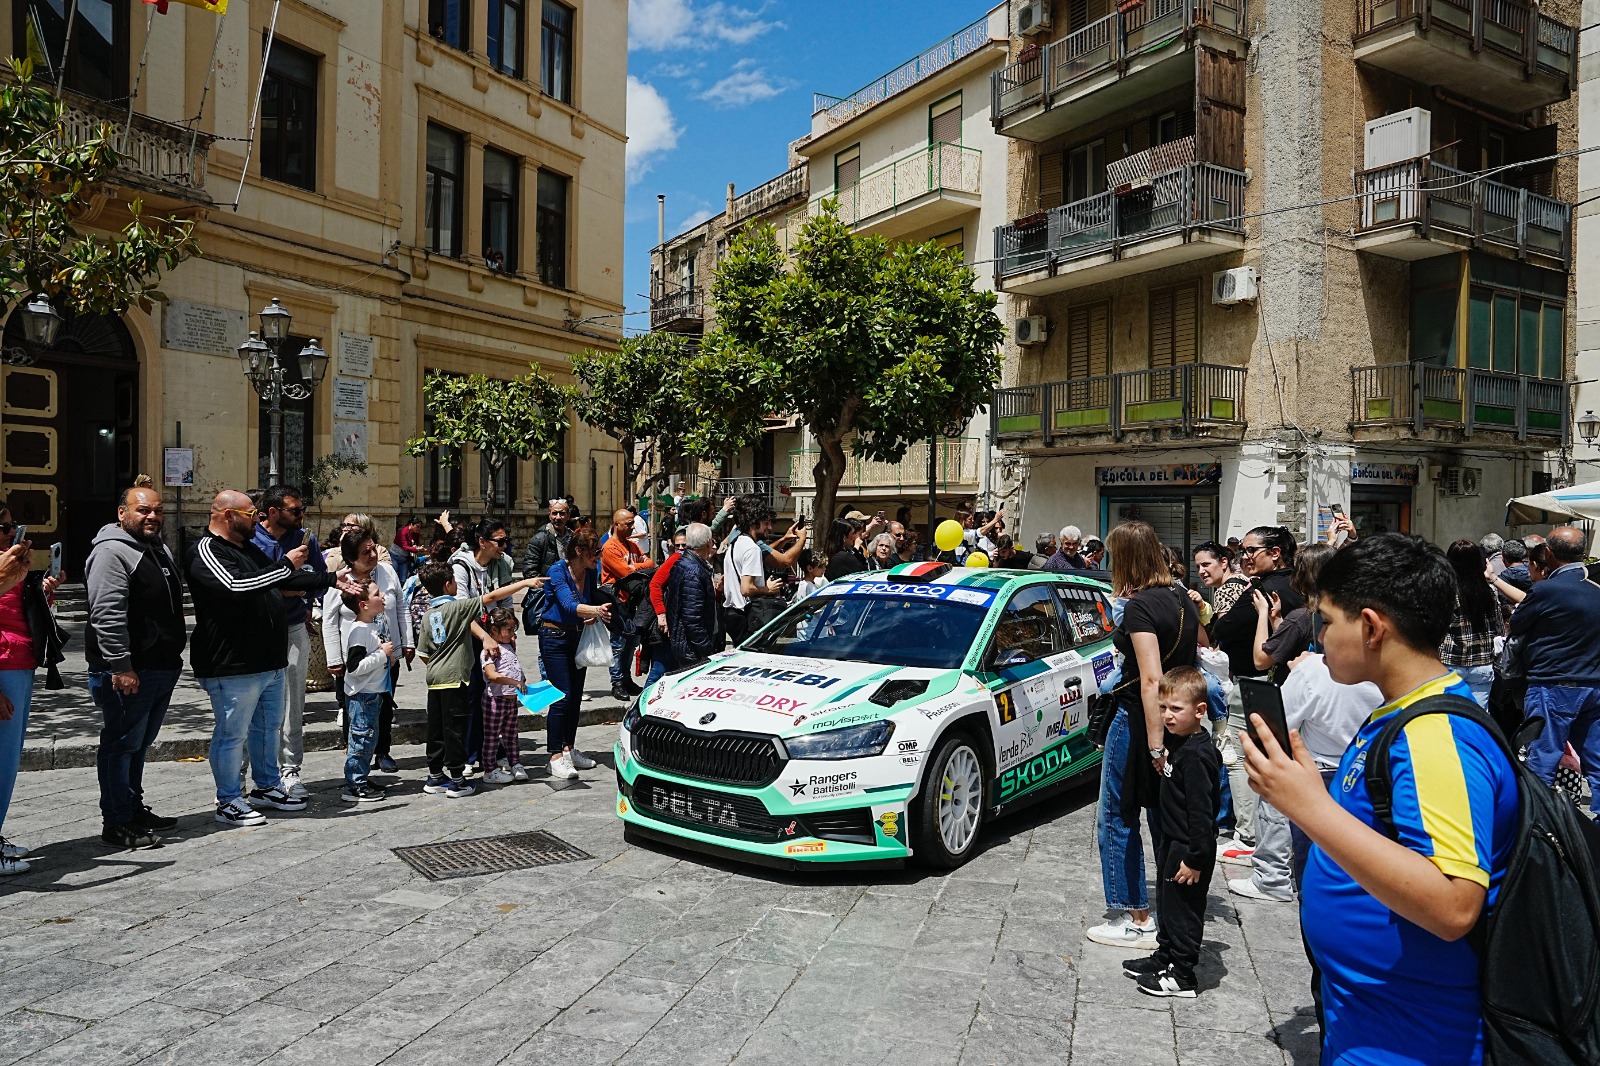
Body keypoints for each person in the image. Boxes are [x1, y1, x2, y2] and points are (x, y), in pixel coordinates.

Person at [1244, 532, 1518, 1066]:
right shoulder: (1397, 715)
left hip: (1414, 1040)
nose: (1317, 636)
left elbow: (1454, 903)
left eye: (1326, 621)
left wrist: (1311, 810)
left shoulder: (1435, 734)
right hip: (1373, 1023)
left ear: (1370, 626)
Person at [191, 491, 354, 827]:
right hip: (231, 662)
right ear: (226, 515)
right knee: (232, 733)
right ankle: (229, 799)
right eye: (250, 513)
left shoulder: (246, 547)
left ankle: (266, 787)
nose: (256, 518)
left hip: (268, 657)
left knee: (267, 728)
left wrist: (330, 579)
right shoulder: (206, 549)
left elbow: (282, 579)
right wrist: (284, 567)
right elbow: (237, 586)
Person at [1087, 521, 1200, 950]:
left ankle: (1134, 916)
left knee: (1117, 815)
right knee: (1161, 818)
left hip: (1139, 720)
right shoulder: (1181, 597)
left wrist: (1155, 742)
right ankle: (1168, 909)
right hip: (1175, 720)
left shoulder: (1140, 607)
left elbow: (1150, 678)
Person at [1231, 543, 1335, 905]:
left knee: (1274, 801)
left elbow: (1261, 658)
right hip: (1334, 735)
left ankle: (1272, 876)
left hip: (1301, 722)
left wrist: (1262, 616)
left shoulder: (1304, 616)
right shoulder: (1317, 617)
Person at [85, 485, 186, 850]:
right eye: (143, 510)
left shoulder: (155, 548)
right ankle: (116, 821)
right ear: (122, 513)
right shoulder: (111, 552)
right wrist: (121, 664)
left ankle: (132, 807)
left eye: (158, 511)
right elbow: (106, 614)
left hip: (160, 665)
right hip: (129, 670)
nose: (153, 517)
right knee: (120, 745)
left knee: (138, 744)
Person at [1123, 666, 1221, 998]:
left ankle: (1182, 976)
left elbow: (1202, 814)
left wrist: (1195, 859)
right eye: (1163, 707)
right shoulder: (1180, 745)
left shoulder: (1196, 756)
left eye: (1176, 709)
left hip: (1189, 848)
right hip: (1173, 840)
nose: (1167, 715)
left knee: (1184, 911)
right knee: (1167, 905)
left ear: (1200, 710)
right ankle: (1165, 956)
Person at [1209, 526, 1302, 852]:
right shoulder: (1294, 584)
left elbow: (1225, 627)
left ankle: (1247, 836)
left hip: (1256, 682)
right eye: (1242, 551)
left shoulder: (1264, 591)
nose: (1244, 557)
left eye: (1251, 551)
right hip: (1279, 682)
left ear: (1275, 553)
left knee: (1238, 757)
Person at [415, 561, 540, 798]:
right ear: (448, 584)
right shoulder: (458, 607)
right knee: (455, 730)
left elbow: (424, 653)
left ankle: (434, 776)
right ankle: (457, 779)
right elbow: (491, 596)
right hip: (455, 680)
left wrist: (439, 666)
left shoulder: (428, 614)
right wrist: (524, 582)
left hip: (435, 679)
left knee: (437, 729)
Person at [1509, 525, 1600, 811]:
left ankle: (1539, 828)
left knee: (1542, 762)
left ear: (1548, 553)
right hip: (1593, 686)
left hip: (1552, 686)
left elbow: (1518, 623)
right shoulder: (1595, 589)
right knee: (1597, 763)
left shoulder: (1546, 591)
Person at [250, 485, 326, 800]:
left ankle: (290, 771)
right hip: (257, 630)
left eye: (301, 508)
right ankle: (242, 777)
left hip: (294, 628)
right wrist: (282, 587)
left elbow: (321, 579)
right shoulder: (250, 540)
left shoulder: (306, 540)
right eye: (295, 510)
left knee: (295, 704)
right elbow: (248, 585)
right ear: (272, 512)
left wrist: (305, 591)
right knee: (251, 707)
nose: (301, 515)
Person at [0, 510, 61, 872]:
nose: (11, 532)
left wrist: (43, 593)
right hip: (4, 666)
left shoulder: (9, 564)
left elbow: (21, 613)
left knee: (9, 760)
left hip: (19, 663)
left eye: (12, 526)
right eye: (4, 527)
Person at [321, 529, 408, 775]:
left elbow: (401, 608)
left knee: (384, 704)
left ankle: (382, 751)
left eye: (373, 548)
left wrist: (405, 644)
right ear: (351, 558)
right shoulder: (339, 581)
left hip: (387, 654)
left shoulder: (387, 572)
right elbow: (329, 621)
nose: (372, 555)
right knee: (356, 707)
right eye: (364, 552)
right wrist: (334, 659)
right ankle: (356, 756)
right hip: (354, 658)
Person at [540, 531, 612, 779]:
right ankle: (554, 756)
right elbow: (568, 604)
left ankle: (568, 749)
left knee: (576, 697)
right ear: (580, 551)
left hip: (577, 636)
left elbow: (586, 601)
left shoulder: (589, 573)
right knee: (562, 696)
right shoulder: (558, 571)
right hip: (554, 638)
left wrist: (593, 614)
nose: (599, 558)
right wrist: (594, 610)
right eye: (596, 552)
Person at [337, 580, 395, 804]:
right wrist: (381, 654)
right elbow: (354, 667)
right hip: (363, 695)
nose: (382, 597)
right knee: (361, 739)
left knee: (369, 739)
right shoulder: (360, 631)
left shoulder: (371, 626)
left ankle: (360, 778)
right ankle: (354, 785)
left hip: (373, 694)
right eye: (377, 594)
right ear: (363, 604)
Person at [601, 508, 657, 700]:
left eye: (633, 523)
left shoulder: (632, 545)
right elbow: (625, 572)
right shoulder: (610, 547)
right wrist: (636, 567)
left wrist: (636, 567)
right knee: (619, 642)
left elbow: (650, 563)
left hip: (633, 600)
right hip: (618, 600)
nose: (632, 527)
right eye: (628, 524)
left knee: (631, 641)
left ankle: (625, 679)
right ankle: (617, 681)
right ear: (616, 524)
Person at [1441, 538, 1500, 708]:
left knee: (1449, 717)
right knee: (1478, 719)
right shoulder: (1489, 592)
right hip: (1482, 662)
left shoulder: (1446, 591)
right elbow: (1498, 627)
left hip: (1451, 660)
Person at [480, 607, 533, 784]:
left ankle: (515, 763)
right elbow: (491, 674)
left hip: (511, 701)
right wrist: (514, 682)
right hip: (495, 700)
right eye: (508, 630)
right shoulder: (489, 651)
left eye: (513, 630)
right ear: (494, 630)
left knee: (512, 736)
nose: (512, 634)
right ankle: (489, 769)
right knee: (492, 737)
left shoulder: (508, 646)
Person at [723, 498, 784, 643]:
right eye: (765, 523)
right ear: (753, 524)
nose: (769, 528)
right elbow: (746, 588)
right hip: (746, 616)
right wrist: (768, 589)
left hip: (732, 614)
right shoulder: (752, 548)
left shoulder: (735, 544)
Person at [666, 523, 720, 670]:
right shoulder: (693, 571)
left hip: (686, 644)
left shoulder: (685, 564)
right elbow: (692, 617)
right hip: (691, 649)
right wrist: (705, 648)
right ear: (708, 542)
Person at [644, 528, 689, 686]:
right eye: (678, 546)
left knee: (670, 671)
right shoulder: (675, 559)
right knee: (659, 670)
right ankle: (640, 706)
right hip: (667, 625)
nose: (681, 549)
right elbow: (655, 585)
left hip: (676, 624)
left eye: (685, 545)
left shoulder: (690, 560)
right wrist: (661, 615)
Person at [1189, 542, 1247, 629]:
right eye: (1198, 567)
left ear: (1223, 562)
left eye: (1206, 565)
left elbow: (1226, 634)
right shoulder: (1241, 579)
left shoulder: (1226, 591)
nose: (1201, 571)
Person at [324, 513, 393, 571]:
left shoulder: (379, 551)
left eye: (350, 526)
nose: (345, 529)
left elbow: (385, 573)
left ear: (363, 527)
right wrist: (344, 547)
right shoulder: (336, 551)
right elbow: (330, 571)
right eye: (344, 525)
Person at [393, 515, 424, 585]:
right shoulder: (403, 532)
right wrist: (416, 549)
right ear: (411, 524)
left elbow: (415, 544)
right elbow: (405, 546)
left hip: (404, 558)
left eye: (420, 527)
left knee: (403, 579)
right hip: (395, 556)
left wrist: (417, 547)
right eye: (417, 526)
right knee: (393, 577)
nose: (418, 529)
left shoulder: (416, 534)